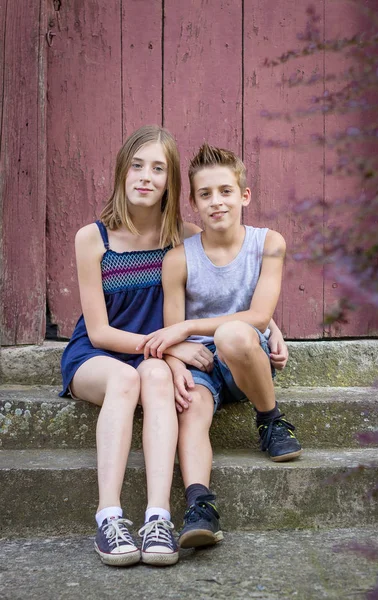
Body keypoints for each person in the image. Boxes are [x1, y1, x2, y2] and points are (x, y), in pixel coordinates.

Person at [59, 125, 216, 567]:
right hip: (97, 355)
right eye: (137, 165)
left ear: (171, 182)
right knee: (129, 377)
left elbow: (232, 279)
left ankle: (158, 518)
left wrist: (272, 325)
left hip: (153, 357)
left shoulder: (185, 237)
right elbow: (101, 332)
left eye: (159, 168)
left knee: (153, 375)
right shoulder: (94, 238)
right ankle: (109, 517)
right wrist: (171, 347)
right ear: (121, 173)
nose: (146, 176)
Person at [137, 142, 302, 550]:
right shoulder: (178, 259)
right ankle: (200, 503)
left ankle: (270, 419)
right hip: (199, 361)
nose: (217, 202)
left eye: (226, 191)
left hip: (245, 356)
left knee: (233, 333)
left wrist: (191, 326)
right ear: (193, 202)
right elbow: (174, 331)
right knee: (190, 407)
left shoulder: (268, 243)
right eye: (206, 194)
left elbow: (259, 316)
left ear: (244, 195)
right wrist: (178, 362)